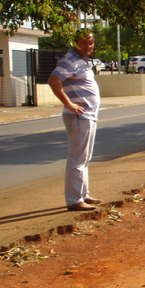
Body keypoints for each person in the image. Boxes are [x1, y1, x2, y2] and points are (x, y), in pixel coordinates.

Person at [48, 30, 103, 211]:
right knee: (77, 159)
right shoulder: (69, 60)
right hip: (79, 116)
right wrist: (69, 104)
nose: (87, 47)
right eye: (83, 43)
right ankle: (74, 200)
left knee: (85, 158)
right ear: (75, 43)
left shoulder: (82, 61)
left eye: (90, 43)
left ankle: (83, 194)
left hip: (88, 115)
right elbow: (54, 80)